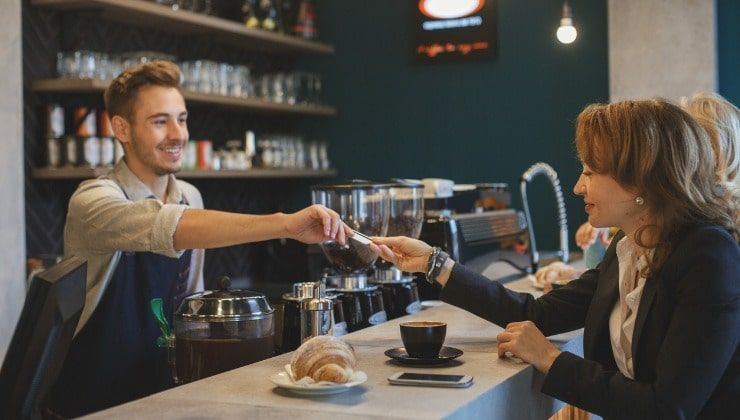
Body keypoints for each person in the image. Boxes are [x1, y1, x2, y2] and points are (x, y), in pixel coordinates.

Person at [370, 99, 740, 419]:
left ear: (639, 181)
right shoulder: (628, 248)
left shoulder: (708, 256)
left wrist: (550, 358)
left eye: (590, 172)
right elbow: (538, 313)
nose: (578, 186)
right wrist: (435, 263)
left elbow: (667, 409)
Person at [48, 61, 351, 417]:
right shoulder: (93, 201)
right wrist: (284, 224)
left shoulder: (190, 197)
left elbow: (188, 305)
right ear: (122, 128)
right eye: (160, 121)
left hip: (166, 393)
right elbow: (167, 226)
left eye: (182, 118)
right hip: (94, 401)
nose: (177, 134)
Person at [536, 92, 740, 288]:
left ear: (715, 153)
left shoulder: (711, 239)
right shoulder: (660, 220)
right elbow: (631, 283)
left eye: (684, 141)